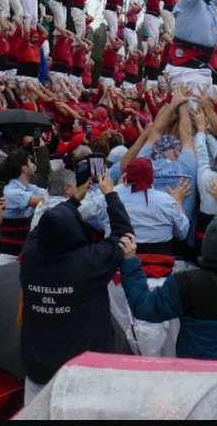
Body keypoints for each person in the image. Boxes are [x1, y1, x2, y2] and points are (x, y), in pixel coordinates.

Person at [20, 170, 133, 404]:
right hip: (83, 377)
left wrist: (75, 198)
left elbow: (46, 225)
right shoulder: (89, 263)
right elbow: (123, 235)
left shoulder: (30, 255)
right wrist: (110, 194)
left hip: (39, 372)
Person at [119, 211, 217, 360]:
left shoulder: (185, 283)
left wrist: (131, 262)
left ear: (206, 246)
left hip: (199, 371)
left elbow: (145, 307)